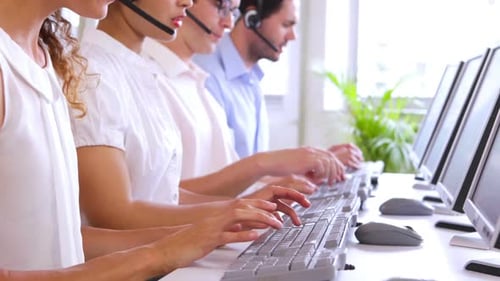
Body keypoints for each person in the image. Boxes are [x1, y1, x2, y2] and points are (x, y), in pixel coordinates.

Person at [0, 0, 301, 280]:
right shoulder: (60, 67)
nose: (189, 2)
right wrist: (162, 252)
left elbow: (65, 238)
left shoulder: (46, 59)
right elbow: (110, 214)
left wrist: (209, 228)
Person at [69, 0, 326, 231]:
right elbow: (112, 215)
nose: (187, 3)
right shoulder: (92, 72)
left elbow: (164, 195)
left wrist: (247, 204)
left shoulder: (140, 70)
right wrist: (228, 211)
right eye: (220, 6)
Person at [141, 0, 345, 198]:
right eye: (221, 6)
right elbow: (161, 197)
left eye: (233, 10)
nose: (229, 23)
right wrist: (265, 166)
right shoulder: (157, 79)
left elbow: (228, 179)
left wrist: (293, 177)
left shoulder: (196, 79)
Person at [193, 0, 364, 168]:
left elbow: (251, 174)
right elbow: (222, 179)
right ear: (253, 18)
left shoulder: (251, 79)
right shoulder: (205, 76)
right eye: (286, 24)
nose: (292, 36)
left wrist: (317, 161)